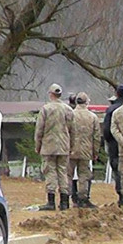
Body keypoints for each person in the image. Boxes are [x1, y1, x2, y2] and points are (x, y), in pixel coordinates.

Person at [35, 83, 74, 211]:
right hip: (64, 146)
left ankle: (51, 201)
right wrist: (71, 146)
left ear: (50, 94)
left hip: (48, 146)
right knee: (63, 172)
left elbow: (39, 129)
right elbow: (72, 130)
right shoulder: (68, 109)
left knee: (50, 171)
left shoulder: (45, 109)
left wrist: (38, 145)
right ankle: (64, 202)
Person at [68, 92, 100, 208]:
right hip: (86, 150)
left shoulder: (70, 115)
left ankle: (65, 199)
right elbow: (96, 137)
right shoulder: (93, 117)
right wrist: (95, 152)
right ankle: (83, 199)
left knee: (68, 175)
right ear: (87, 102)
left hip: (70, 150)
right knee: (84, 176)